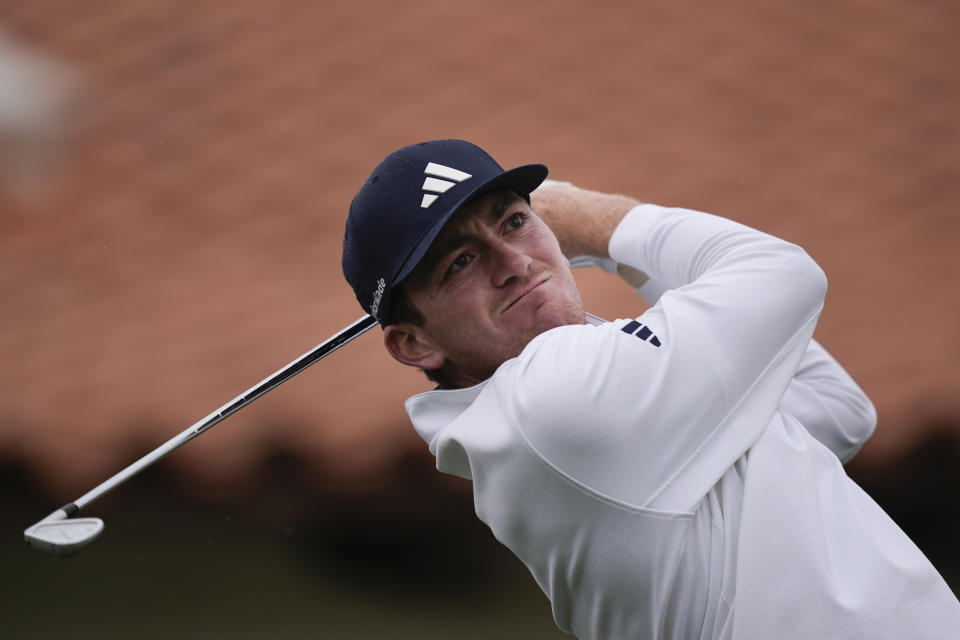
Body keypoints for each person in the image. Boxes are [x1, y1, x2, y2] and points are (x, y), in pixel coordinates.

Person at [341, 139, 960, 639]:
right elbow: (783, 274)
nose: (513, 260)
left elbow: (832, 411)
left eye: (514, 221)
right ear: (415, 345)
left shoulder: (581, 395)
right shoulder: (547, 399)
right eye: (460, 262)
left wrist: (610, 255)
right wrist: (595, 222)